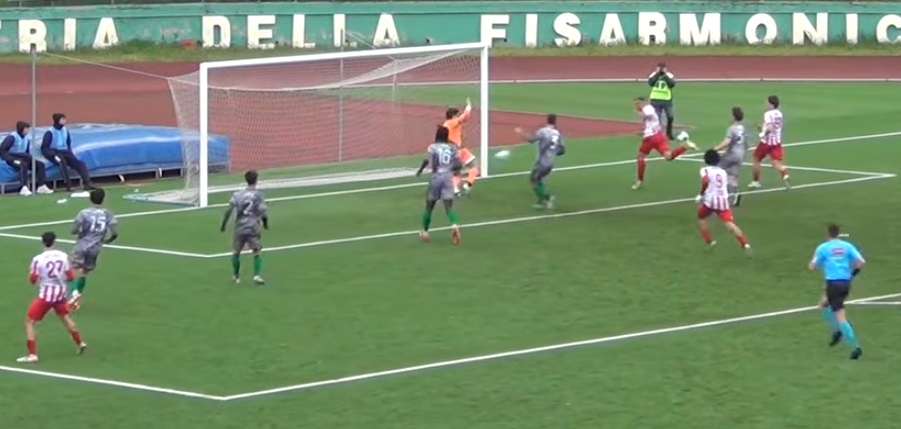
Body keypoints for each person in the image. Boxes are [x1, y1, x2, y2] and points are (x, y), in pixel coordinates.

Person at [18, 231, 88, 363]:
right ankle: (80, 343)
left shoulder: (38, 259)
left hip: (46, 296)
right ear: (54, 242)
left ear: (43, 242)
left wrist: (37, 276)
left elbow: (33, 280)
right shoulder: (63, 256)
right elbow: (70, 277)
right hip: (60, 294)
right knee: (65, 318)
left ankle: (32, 355)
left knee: (29, 322)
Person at [809, 224, 865, 360]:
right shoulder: (847, 246)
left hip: (833, 284)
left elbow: (813, 266)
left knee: (840, 316)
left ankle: (855, 347)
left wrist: (815, 263)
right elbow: (861, 262)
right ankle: (838, 330)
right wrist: (852, 275)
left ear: (827, 233)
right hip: (845, 284)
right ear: (839, 233)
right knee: (823, 305)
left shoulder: (823, 248)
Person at [68, 188, 119, 311]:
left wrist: (79, 232)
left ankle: (74, 293)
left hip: (82, 245)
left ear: (90, 199)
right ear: (103, 199)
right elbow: (115, 232)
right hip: (95, 247)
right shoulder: (108, 214)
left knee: (72, 269)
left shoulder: (84, 213)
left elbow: (74, 230)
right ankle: (76, 298)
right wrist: (108, 240)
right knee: (84, 272)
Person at [632, 97, 696, 190]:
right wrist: (642, 132)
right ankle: (685, 146)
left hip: (651, 139)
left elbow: (648, 114)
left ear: (642, 102)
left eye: (637, 103)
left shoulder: (647, 108)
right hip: (658, 137)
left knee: (640, 158)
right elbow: (650, 124)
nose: (636, 106)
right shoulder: (647, 108)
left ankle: (639, 181)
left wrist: (639, 112)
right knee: (669, 157)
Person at [696, 149, 751, 253]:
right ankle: (745, 244)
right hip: (723, 201)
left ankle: (710, 242)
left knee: (701, 217)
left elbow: (705, 181)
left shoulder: (705, 170)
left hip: (711, 201)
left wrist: (701, 194)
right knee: (729, 223)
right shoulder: (723, 172)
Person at [221, 170, 268, 284]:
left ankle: (236, 276)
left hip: (240, 227)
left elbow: (229, 210)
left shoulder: (237, 194)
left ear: (246, 180)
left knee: (236, 252)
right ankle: (256, 275)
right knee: (257, 251)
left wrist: (223, 225)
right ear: (256, 180)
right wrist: (265, 223)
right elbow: (263, 212)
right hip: (253, 227)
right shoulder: (259, 195)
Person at [416, 125, 462, 244]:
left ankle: (425, 232)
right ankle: (454, 225)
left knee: (429, 206)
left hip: (436, 177)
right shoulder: (452, 148)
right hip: (447, 177)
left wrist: (420, 170)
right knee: (449, 207)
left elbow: (427, 160)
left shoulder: (433, 147)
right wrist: (452, 170)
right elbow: (458, 165)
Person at [514, 114, 564, 210]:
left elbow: (531, 140)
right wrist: (552, 152)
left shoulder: (543, 131)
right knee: (538, 179)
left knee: (533, 180)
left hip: (542, 162)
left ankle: (547, 198)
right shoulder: (557, 133)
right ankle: (541, 201)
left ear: (547, 120)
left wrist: (520, 132)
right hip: (550, 162)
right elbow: (562, 151)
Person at [41, 113, 95, 192]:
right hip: (56, 153)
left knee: (80, 164)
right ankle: (68, 185)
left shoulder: (65, 131)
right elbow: (44, 148)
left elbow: (68, 144)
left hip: (66, 152)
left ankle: (88, 183)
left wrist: (71, 155)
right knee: (62, 162)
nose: (65, 121)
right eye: (62, 119)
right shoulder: (50, 132)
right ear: (58, 120)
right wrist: (53, 155)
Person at [0, 121, 52, 196]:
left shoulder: (26, 139)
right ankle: (23, 187)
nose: (28, 131)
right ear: (22, 129)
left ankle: (41, 186)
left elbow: (26, 152)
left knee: (40, 165)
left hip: (23, 158)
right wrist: (11, 159)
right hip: (12, 159)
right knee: (23, 165)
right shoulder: (12, 138)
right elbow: (3, 150)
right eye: (26, 129)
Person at [748, 96, 790, 189]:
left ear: (771, 104)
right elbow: (773, 126)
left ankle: (756, 182)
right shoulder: (779, 114)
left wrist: (762, 133)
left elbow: (770, 128)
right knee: (775, 161)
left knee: (756, 158)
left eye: (767, 103)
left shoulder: (768, 114)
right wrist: (762, 128)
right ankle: (783, 172)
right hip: (777, 141)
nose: (766, 104)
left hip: (767, 142)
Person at [442, 98, 478, 196]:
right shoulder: (451, 122)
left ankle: (457, 188)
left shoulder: (446, 124)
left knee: (457, 172)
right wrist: (468, 107)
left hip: (456, 150)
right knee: (472, 167)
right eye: (456, 114)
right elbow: (464, 118)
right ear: (453, 115)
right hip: (457, 151)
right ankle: (467, 184)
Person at [712, 107, 748, 207]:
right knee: (732, 175)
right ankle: (735, 194)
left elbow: (727, 141)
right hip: (740, 154)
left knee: (717, 169)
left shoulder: (732, 128)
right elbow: (746, 142)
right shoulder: (742, 128)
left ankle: (719, 195)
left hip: (732, 154)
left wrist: (715, 149)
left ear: (733, 116)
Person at [648, 62, 677, 139]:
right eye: (660, 68)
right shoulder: (653, 75)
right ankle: (658, 133)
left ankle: (669, 132)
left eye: (663, 68)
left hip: (666, 100)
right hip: (655, 99)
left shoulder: (670, 76)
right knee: (657, 118)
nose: (661, 69)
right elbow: (651, 83)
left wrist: (664, 75)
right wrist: (657, 74)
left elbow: (672, 84)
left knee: (670, 116)